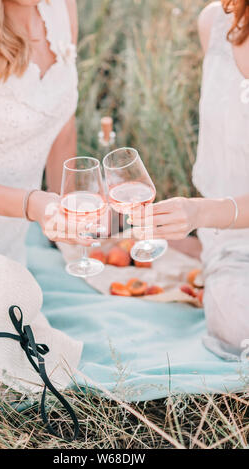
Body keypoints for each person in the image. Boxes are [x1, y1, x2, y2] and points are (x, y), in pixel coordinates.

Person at [131, 0, 249, 357]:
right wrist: (202, 217)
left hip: (211, 216)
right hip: (230, 235)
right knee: (236, 323)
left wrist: (198, 213)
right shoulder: (214, 23)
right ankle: (207, 255)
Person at [0, 0, 89, 265]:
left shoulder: (61, 6)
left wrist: (70, 222)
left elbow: (62, 122)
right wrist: (34, 205)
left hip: (14, 241)